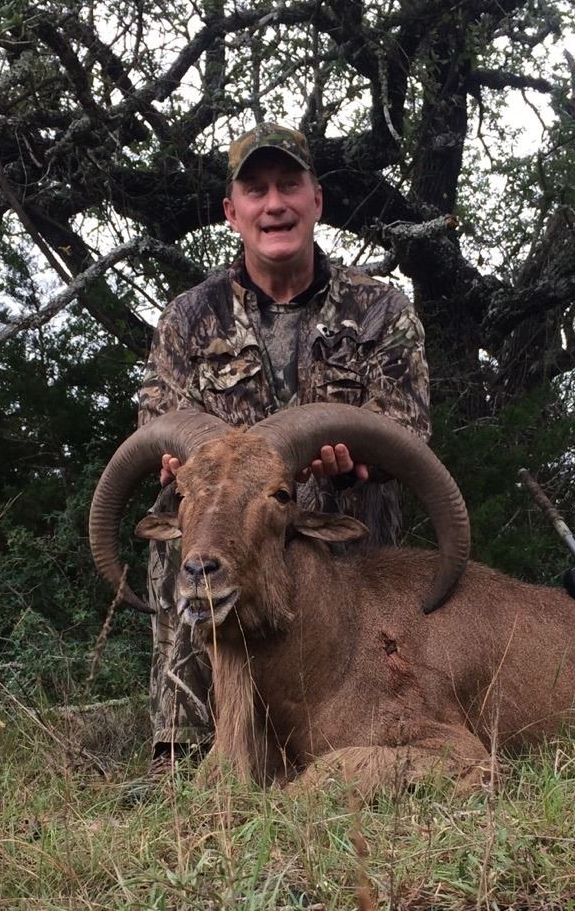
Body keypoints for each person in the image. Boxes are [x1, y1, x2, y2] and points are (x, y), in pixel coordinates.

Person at [137, 123, 431, 770]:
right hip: (234, 530)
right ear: (231, 212)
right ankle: (183, 743)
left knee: (360, 516)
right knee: (181, 522)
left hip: (336, 537)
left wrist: (359, 460)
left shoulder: (380, 309)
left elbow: (409, 430)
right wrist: (180, 466)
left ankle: (371, 723)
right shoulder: (189, 317)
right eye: (256, 190)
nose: (275, 204)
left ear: (315, 201)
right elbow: (159, 419)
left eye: (289, 186)